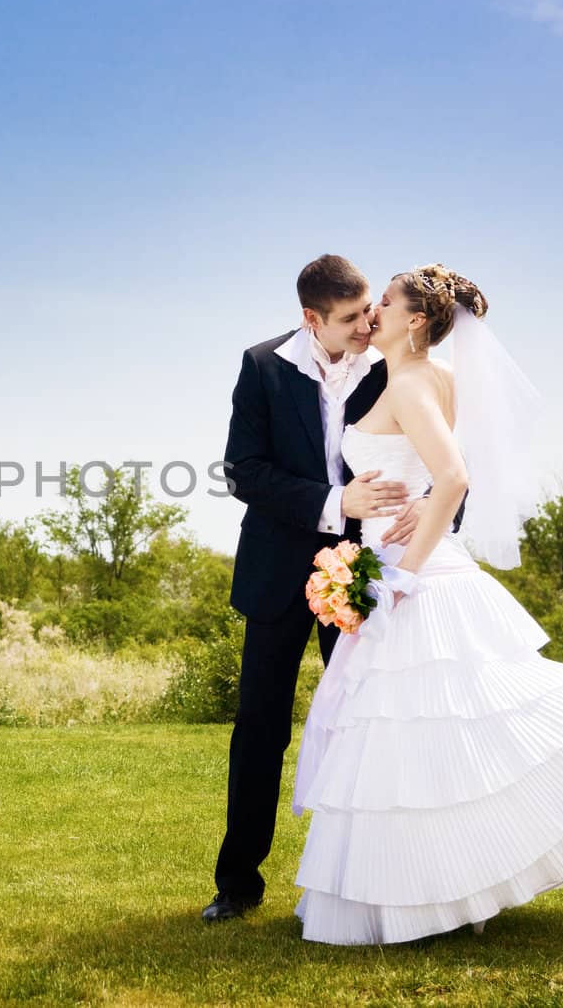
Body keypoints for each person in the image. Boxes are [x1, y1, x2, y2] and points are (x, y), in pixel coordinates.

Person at [290, 264, 563, 945]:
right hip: (413, 559)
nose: (372, 311)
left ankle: (412, 898)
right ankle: (439, 889)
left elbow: (455, 475)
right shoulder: (437, 377)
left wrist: (401, 578)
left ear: (415, 320)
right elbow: (439, 471)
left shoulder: (412, 382)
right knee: (436, 744)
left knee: (407, 742)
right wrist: (417, 514)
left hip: (415, 575)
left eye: (384, 303)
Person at [204, 254, 427, 923]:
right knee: (260, 729)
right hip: (278, 573)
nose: (369, 323)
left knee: (367, 726)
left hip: (365, 572)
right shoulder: (264, 366)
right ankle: (237, 884)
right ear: (312, 318)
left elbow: (435, 453)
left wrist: (426, 511)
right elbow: (244, 470)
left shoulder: (388, 366)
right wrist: (335, 500)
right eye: (353, 317)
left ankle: (367, 880)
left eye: (370, 310)